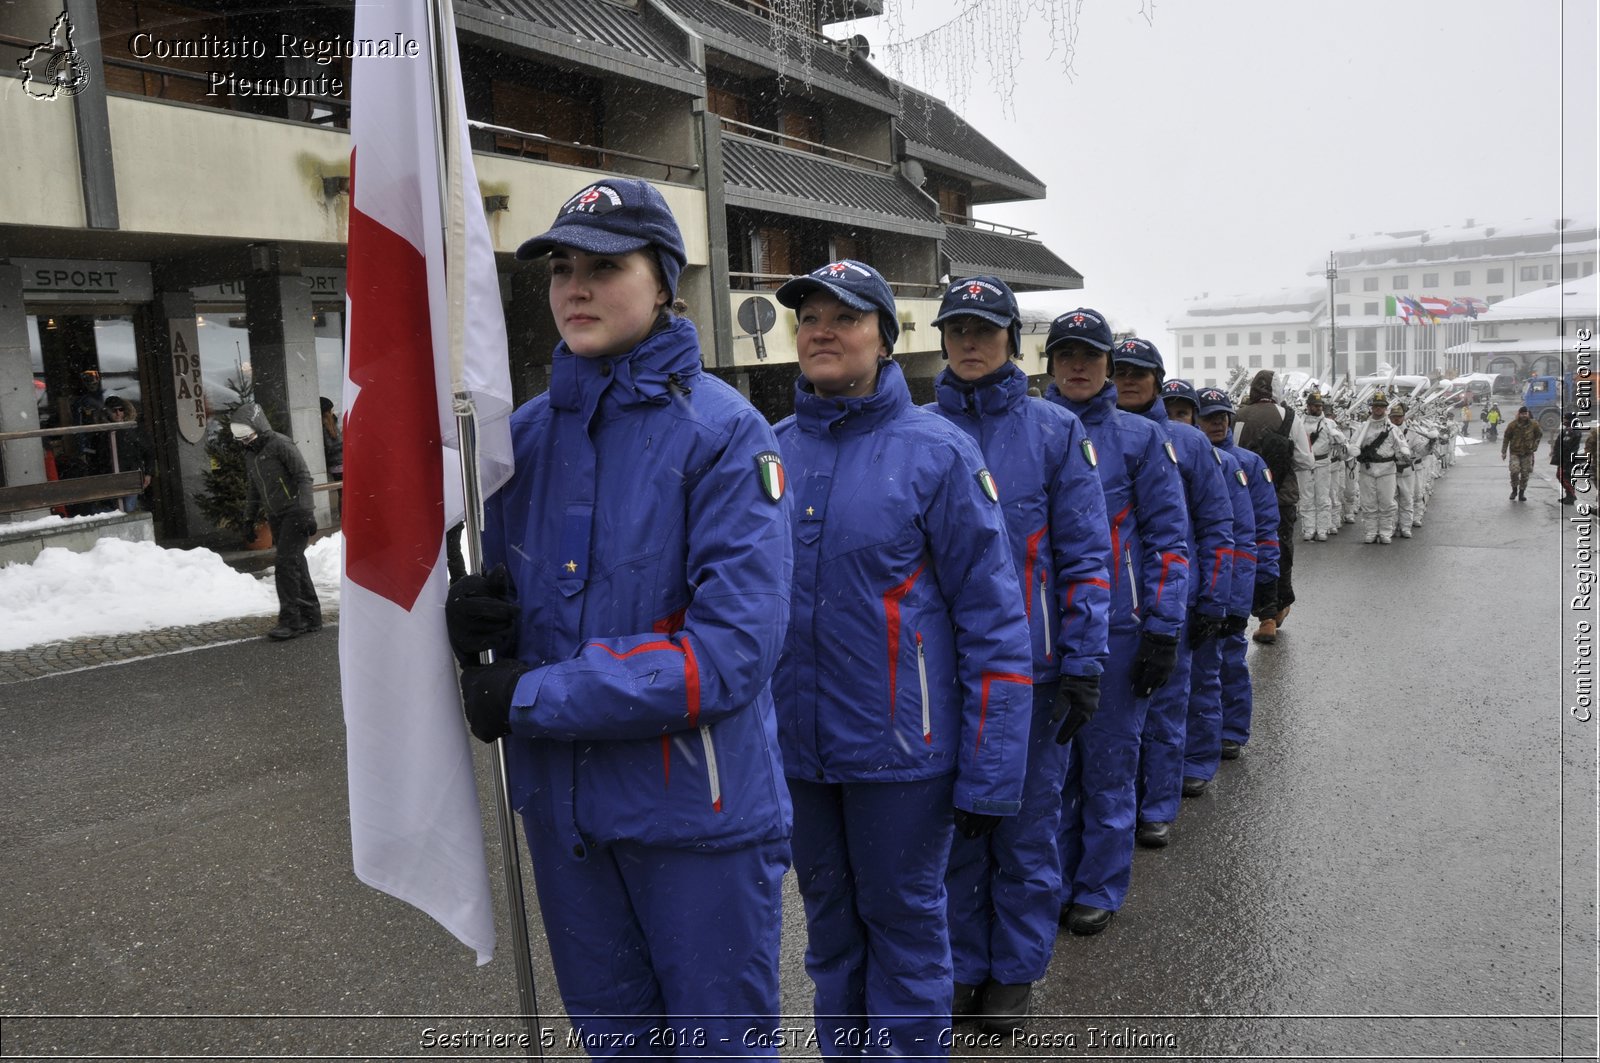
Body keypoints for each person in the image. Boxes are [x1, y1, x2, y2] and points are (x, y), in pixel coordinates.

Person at [443, 178, 795, 1057]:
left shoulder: (725, 434)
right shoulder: (522, 437)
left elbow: (727, 654)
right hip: (566, 820)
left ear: (664, 280)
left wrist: (531, 694)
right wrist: (471, 617)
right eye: (562, 267)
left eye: (605, 266)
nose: (575, 287)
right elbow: (515, 621)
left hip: (696, 822)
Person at [771, 259, 1033, 1055]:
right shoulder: (768, 453)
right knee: (831, 936)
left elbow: (994, 617)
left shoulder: (938, 453)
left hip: (904, 758)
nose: (822, 329)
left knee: (907, 931)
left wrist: (992, 770)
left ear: (884, 338)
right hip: (798, 756)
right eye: (809, 314)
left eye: (845, 317)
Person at [926, 276, 1111, 1032]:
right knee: (955, 834)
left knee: (1026, 830)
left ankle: (1016, 968)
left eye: (985, 329)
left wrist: (1084, 659)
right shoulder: (917, 430)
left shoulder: (1055, 433)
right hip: (941, 680)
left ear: (1010, 339)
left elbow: (1087, 556)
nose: (970, 343)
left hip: (1032, 675)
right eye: (957, 328)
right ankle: (965, 963)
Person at [1044, 309, 1189, 936]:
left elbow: (1168, 539)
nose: (1079, 365)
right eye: (1067, 353)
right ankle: (1051, 878)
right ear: (1048, 362)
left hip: (1118, 634)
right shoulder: (1033, 430)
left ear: (1106, 364)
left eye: (1091, 355)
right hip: (1043, 634)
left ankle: (1098, 883)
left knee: (1107, 767)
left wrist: (1163, 623)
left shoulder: (1137, 437)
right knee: (1049, 776)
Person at [1111, 341, 1232, 852]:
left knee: (1164, 709)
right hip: (1112, 602)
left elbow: (1216, 524)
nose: (1129, 380)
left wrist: (1214, 599)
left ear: (1158, 380)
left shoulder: (1188, 442)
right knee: (1112, 719)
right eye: (1120, 371)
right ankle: (1113, 809)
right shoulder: (1082, 434)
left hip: (1171, 596)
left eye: (1141, 373)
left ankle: (1156, 807)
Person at [1164, 381, 1252, 798]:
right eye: (1172, 412)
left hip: (1206, 584)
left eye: (1185, 413)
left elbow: (1238, 536)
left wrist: (1234, 600)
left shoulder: (1230, 465)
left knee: (1208, 675)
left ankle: (1205, 752)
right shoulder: (1152, 453)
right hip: (1167, 586)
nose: (1178, 421)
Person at [1191, 386, 1277, 764]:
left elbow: (1263, 529)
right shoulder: (1185, 457)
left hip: (1234, 578)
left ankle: (1231, 731)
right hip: (1198, 577)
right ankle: (1198, 735)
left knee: (1229, 658)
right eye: (1209, 416)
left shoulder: (1249, 464)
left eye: (1223, 416)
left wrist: (1265, 582)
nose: (1218, 422)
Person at [231, 402, 321, 639]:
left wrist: (306, 511)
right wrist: (248, 520)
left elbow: (303, 476)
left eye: (247, 436)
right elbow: (254, 488)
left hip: (295, 511)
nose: (245, 442)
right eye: (240, 439)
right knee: (295, 563)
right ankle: (311, 616)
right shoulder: (251, 454)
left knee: (284, 565)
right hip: (276, 515)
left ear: (258, 428)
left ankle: (292, 621)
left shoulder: (280, 444)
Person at [1233, 370, 1312, 643]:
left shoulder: (1238, 415)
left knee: (1247, 553)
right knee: (1280, 552)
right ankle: (1277, 608)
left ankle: (1258, 613)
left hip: (1245, 497)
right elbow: (1306, 461)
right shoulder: (1289, 417)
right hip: (1280, 497)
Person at [1347, 390, 1410, 542]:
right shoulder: (1363, 428)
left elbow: (1401, 445)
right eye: (1375, 406)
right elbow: (1353, 444)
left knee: (1387, 503)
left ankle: (1385, 532)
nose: (1378, 409)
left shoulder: (1392, 429)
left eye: (1381, 406)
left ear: (1386, 408)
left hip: (1387, 469)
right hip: (1367, 470)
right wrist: (1352, 449)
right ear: (1371, 408)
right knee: (1368, 503)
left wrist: (1404, 452)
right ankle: (1370, 531)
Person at [1297, 391, 1345, 541]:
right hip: (1305, 464)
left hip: (1323, 463)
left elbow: (1341, 443)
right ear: (1308, 406)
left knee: (1323, 497)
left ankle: (1322, 528)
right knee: (1306, 497)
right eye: (1315, 406)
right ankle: (1309, 528)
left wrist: (1337, 436)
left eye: (1320, 406)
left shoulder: (1329, 424)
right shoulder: (1299, 423)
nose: (1318, 408)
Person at [103, 396, 151, 512]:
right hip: (109, 479)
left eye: (121, 409)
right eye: (114, 410)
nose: (118, 413)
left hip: (131, 475)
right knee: (114, 512)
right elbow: (98, 458)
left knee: (129, 509)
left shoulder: (133, 428)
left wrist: (149, 473)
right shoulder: (102, 432)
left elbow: (148, 452)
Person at [1389, 402, 1429, 537]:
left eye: (1399, 416)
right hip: (1390, 470)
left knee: (1407, 499)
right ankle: (1392, 526)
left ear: (1403, 417)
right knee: (1391, 501)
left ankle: (1405, 526)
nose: (1396, 419)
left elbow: (1421, 450)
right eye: (1394, 417)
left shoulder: (1412, 433)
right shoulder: (1386, 431)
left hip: (1406, 470)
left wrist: (1430, 445)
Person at [1501, 405, 1542, 502]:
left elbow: (1539, 435)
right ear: (1519, 414)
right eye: (1522, 414)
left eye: (1525, 414)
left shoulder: (1534, 424)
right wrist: (1504, 452)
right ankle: (1514, 490)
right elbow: (1506, 438)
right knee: (1514, 471)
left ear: (1528, 414)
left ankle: (1522, 493)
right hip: (1515, 452)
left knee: (1525, 474)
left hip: (1527, 453)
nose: (1524, 415)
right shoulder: (1512, 425)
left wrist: (1535, 446)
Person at [1553, 413, 1586, 505]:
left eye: (1565, 419)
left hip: (1567, 458)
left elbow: (1565, 444)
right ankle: (1569, 496)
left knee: (1563, 476)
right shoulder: (1568, 430)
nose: (1563, 420)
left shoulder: (1572, 431)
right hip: (1564, 458)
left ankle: (1571, 495)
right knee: (1564, 476)